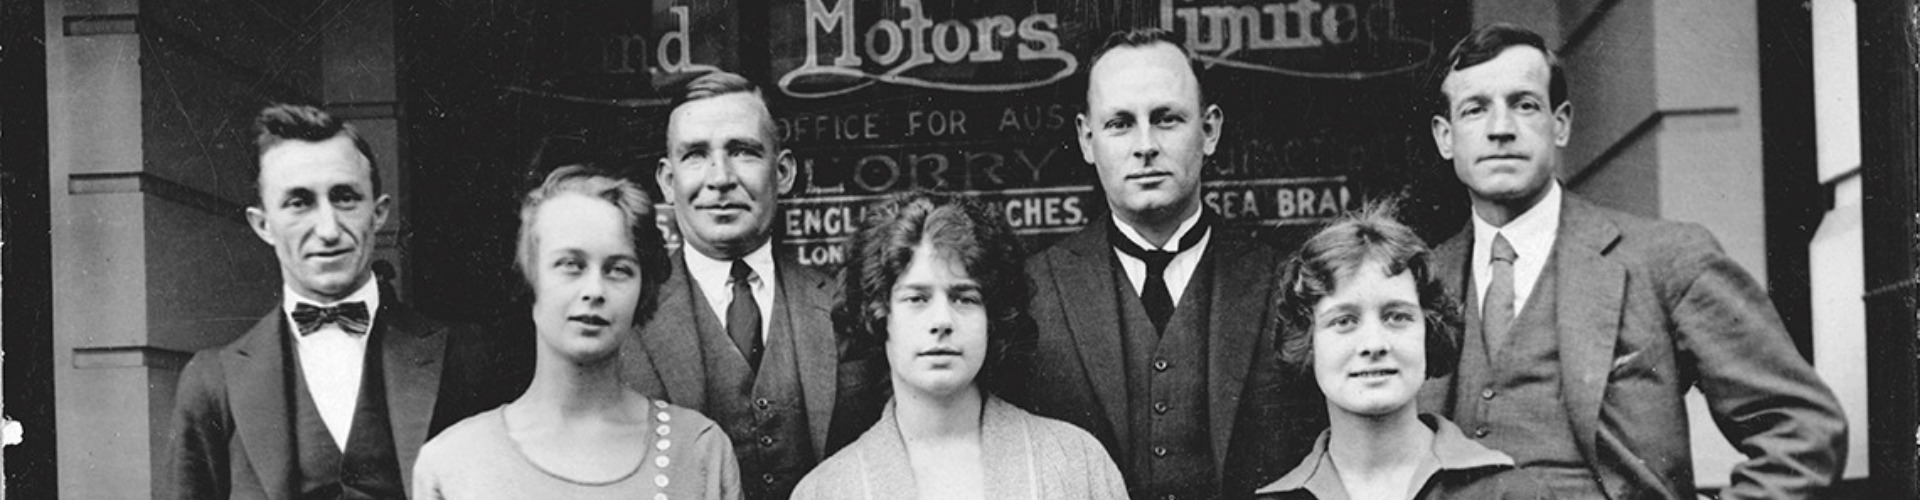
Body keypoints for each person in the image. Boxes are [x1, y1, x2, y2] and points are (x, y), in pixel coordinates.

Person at [1420, 23, 1847, 499]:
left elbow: (1802, 431)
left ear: (1560, 124)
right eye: (1475, 109)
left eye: (1525, 105)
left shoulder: (1664, 259)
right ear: (1445, 137)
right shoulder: (1420, 283)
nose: (1501, 129)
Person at [1016, 27, 1322, 499]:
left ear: (1210, 130)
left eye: (1166, 119)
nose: (1145, 145)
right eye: (1120, 123)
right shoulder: (1033, 290)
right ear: (1086, 138)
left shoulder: (1283, 281)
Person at [167, 104, 517, 499]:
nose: (328, 230)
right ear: (263, 224)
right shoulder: (214, 384)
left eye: (345, 197)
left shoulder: (466, 356)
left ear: (378, 213)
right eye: (299, 202)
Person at [623, 70, 886, 499]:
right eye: (695, 155)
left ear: (782, 172)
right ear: (668, 182)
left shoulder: (845, 306)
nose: (720, 178)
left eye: (743, 151)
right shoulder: (628, 316)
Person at [411, 166, 738, 499]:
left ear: (643, 289)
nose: (594, 290)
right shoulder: (451, 462)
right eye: (571, 265)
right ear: (529, 278)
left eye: (618, 269)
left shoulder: (699, 450)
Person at [792, 191, 1128, 499]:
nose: (942, 321)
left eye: (964, 298)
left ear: (992, 316)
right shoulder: (826, 491)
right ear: (879, 315)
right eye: (917, 298)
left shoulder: (1076, 463)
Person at [1253, 204, 1550, 499]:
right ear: (1308, 342)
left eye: (1397, 317)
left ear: (1429, 332)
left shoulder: (1509, 494)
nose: (1374, 344)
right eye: (1344, 321)